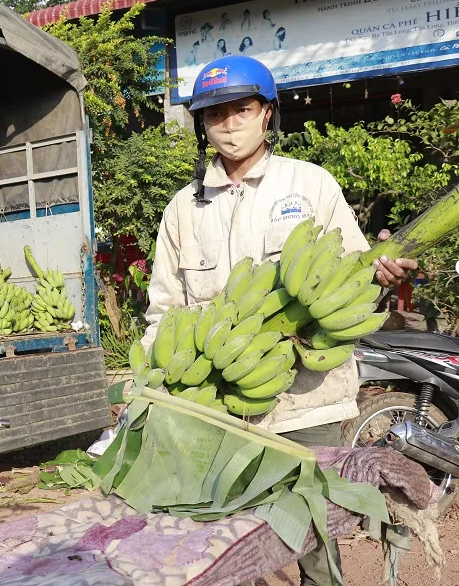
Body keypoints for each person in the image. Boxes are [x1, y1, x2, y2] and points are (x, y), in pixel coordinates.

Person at [141, 55, 417, 586]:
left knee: (315, 527)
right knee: (231, 531)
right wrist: (165, 384)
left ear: (267, 114)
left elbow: (353, 280)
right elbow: (164, 306)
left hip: (306, 398)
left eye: (241, 109)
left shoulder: (309, 185)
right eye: (214, 113)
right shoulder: (182, 208)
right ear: (201, 123)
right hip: (219, 402)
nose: (228, 123)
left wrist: (380, 273)